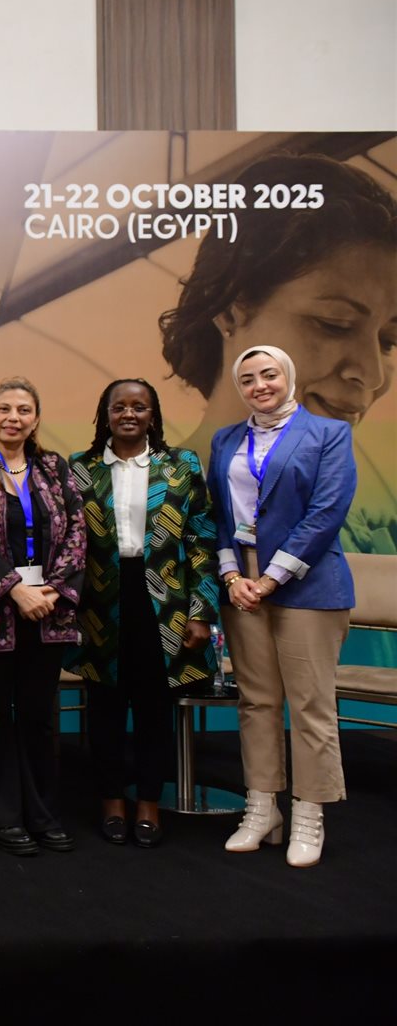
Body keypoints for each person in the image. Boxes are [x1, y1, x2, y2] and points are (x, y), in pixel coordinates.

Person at [158, 153, 395, 555]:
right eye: (334, 324)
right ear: (230, 310)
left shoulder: (366, 537)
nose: (372, 375)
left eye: (389, 341)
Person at [210, 345, 356, 868]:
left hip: (307, 585)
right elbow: (219, 515)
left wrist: (271, 578)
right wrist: (232, 575)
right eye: (248, 379)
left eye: (269, 375)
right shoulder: (226, 439)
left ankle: (308, 815)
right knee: (257, 702)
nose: (260, 386)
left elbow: (326, 511)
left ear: (288, 376)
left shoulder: (329, 433)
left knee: (310, 706)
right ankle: (261, 808)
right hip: (242, 586)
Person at [69, 379, 220, 849]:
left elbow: (201, 539)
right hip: (101, 600)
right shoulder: (80, 468)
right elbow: (68, 542)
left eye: (139, 406)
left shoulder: (182, 466)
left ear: (153, 415)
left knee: (155, 706)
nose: (129, 414)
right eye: (119, 406)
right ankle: (112, 800)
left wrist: (201, 611)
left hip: (165, 602)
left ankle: (150, 801)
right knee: (106, 706)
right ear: (105, 414)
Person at [0, 376, 86, 856]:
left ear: (36, 419)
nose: (13, 418)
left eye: (24, 410)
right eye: (4, 409)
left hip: (49, 611)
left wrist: (52, 590)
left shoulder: (54, 467)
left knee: (39, 715)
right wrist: (15, 591)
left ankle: (43, 814)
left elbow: (76, 532)